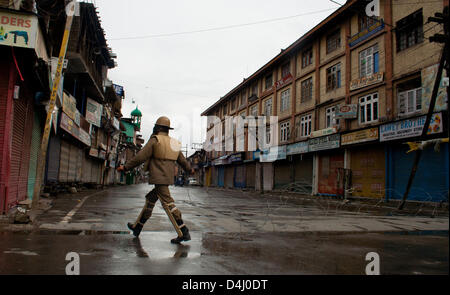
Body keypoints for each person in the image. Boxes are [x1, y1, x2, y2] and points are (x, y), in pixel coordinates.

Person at [117, 116, 194, 244]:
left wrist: (125, 167)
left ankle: (183, 231)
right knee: (150, 200)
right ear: (168, 129)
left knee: (169, 204)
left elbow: (140, 157)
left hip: (158, 178)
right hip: (167, 177)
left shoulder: (155, 140)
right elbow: (182, 159)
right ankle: (138, 226)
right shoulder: (174, 142)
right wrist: (188, 169)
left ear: (158, 128)